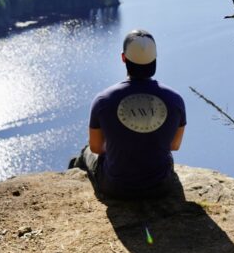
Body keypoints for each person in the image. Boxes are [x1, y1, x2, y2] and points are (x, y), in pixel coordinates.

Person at [71, 29, 186, 199]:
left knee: (86, 151)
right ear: (155, 59)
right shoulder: (175, 100)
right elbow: (174, 146)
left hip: (116, 187)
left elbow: (96, 148)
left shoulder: (103, 100)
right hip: (160, 187)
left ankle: (72, 177)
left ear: (123, 58)